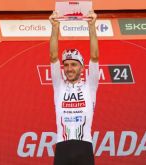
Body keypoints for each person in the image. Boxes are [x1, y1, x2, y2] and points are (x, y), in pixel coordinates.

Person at [49, 11, 99, 165]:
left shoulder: (90, 86)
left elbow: (95, 56)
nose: (69, 68)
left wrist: (91, 26)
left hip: (84, 146)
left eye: (74, 64)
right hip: (62, 147)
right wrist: (55, 27)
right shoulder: (59, 85)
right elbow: (53, 56)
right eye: (66, 65)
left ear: (82, 68)